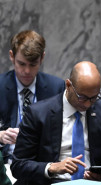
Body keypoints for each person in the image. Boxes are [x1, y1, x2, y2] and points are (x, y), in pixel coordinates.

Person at [11, 61, 101, 185]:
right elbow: (18, 165)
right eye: (82, 97)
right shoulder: (38, 114)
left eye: (94, 98)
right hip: (51, 182)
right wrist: (52, 168)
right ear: (68, 85)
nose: (88, 104)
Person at [0, 30, 65, 163]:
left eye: (33, 64)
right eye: (22, 64)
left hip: (42, 165)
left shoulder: (56, 87)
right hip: (6, 162)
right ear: (11, 56)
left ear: (42, 58)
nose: (27, 71)